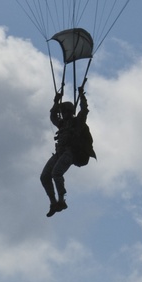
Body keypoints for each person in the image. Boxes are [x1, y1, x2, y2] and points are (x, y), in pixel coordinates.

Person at [41, 84, 92, 217]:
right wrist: (55, 102)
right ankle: (53, 202)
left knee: (56, 173)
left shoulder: (77, 123)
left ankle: (61, 200)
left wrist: (81, 96)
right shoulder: (62, 124)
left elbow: (84, 111)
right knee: (45, 176)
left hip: (70, 152)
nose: (64, 114)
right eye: (62, 112)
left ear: (70, 112)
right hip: (59, 153)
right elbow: (53, 116)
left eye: (66, 111)